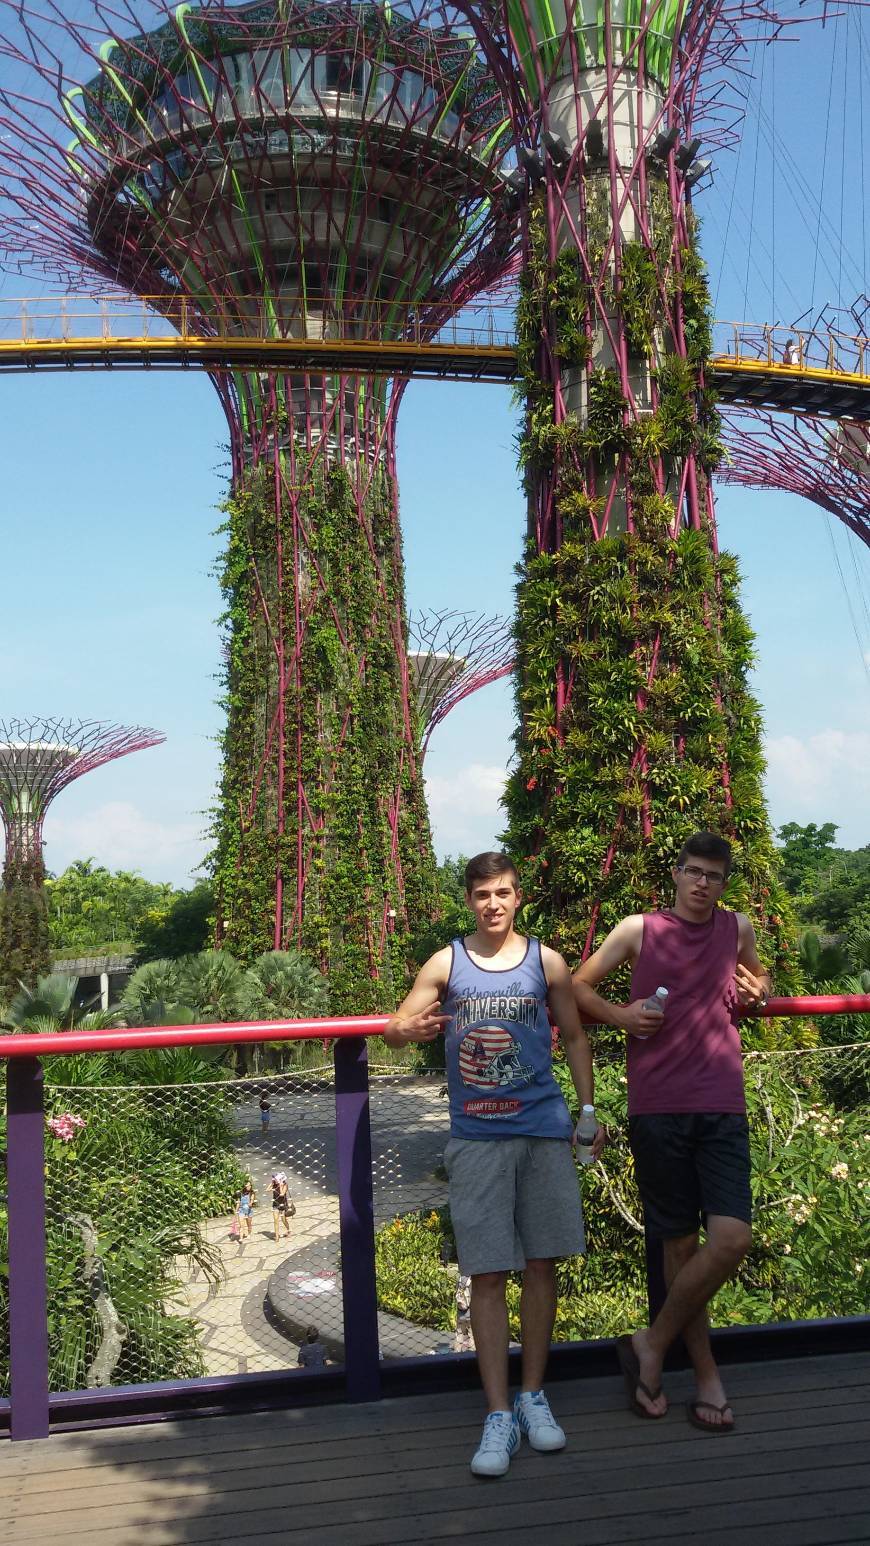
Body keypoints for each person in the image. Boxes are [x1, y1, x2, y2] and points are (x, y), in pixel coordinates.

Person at [385, 850, 604, 1478]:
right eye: (483, 894)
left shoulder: (548, 963)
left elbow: (576, 1035)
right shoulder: (447, 961)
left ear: (518, 896)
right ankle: (498, 1411)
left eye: (503, 892)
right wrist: (408, 1030)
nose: (493, 904)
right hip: (476, 1138)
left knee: (542, 1263)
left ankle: (534, 1394)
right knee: (487, 1272)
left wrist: (586, 1111)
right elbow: (398, 1025)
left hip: (542, 1130)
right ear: (470, 899)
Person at [572, 831, 770, 1434]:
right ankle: (706, 1375)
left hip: (721, 1104)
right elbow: (579, 988)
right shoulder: (638, 930)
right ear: (677, 874)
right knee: (679, 1247)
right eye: (693, 872)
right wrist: (623, 1015)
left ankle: (651, 1344)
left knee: (731, 1237)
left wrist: (761, 994)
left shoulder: (737, 929)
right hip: (657, 1107)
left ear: (723, 882)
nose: (702, 883)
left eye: (714, 875)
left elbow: (757, 987)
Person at [269, 1172, 292, 1241]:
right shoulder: (274, 1184)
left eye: (275, 1179)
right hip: (275, 1204)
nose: (275, 1180)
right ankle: (277, 1237)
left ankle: (288, 1230)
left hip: (282, 1204)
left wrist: (280, 1185)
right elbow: (267, 1190)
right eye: (274, 1179)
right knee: (276, 1220)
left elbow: (282, 1194)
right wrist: (272, 1183)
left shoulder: (285, 1185)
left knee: (283, 1220)